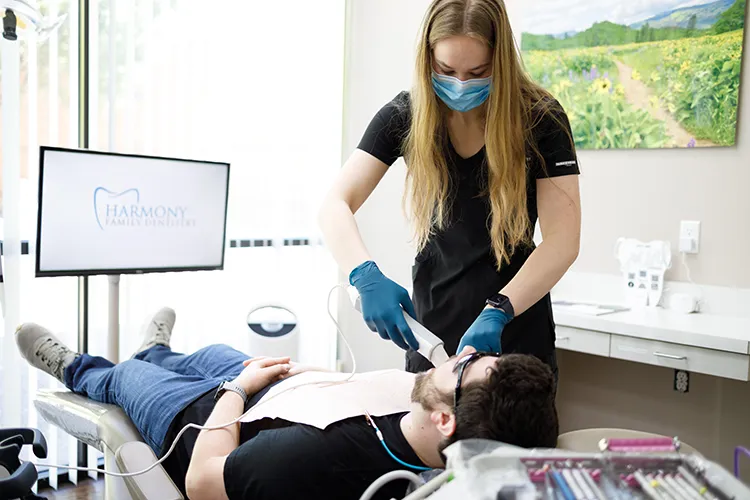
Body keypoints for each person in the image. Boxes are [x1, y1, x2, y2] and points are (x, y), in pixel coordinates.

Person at [16, 307, 558, 500]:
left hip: (202, 421)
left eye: (465, 366)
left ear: (446, 420)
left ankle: (75, 366)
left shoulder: (313, 459)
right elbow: (357, 386)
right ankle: (159, 348)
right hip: (271, 389)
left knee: (127, 378)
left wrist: (237, 390)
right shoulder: (428, 413)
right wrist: (298, 375)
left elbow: (205, 482)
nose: (458, 354)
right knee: (206, 351)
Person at [319, 0, 581, 375]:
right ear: (427, 58)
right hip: (431, 335)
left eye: (477, 72)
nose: (460, 84)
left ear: (500, 62)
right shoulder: (404, 115)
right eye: (446, 70)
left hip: (514, 330)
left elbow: (562, 241)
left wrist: (500, 310)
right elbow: (334, 204)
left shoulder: (540, 118)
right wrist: (363, 274)